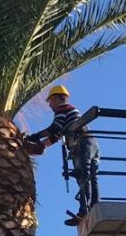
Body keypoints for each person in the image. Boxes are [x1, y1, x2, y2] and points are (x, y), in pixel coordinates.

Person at [25, 85, 100, 226]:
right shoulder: (70, 113)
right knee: (90, 176)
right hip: (92, 144)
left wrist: (36, 136)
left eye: (50, 100)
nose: (49, 104)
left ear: (57, 98)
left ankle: (85, 210)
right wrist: (42, 145)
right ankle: (94, 206)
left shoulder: (63, 109)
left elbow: (55, 128)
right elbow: (57, 135)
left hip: (82, 144)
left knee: (83, 175)